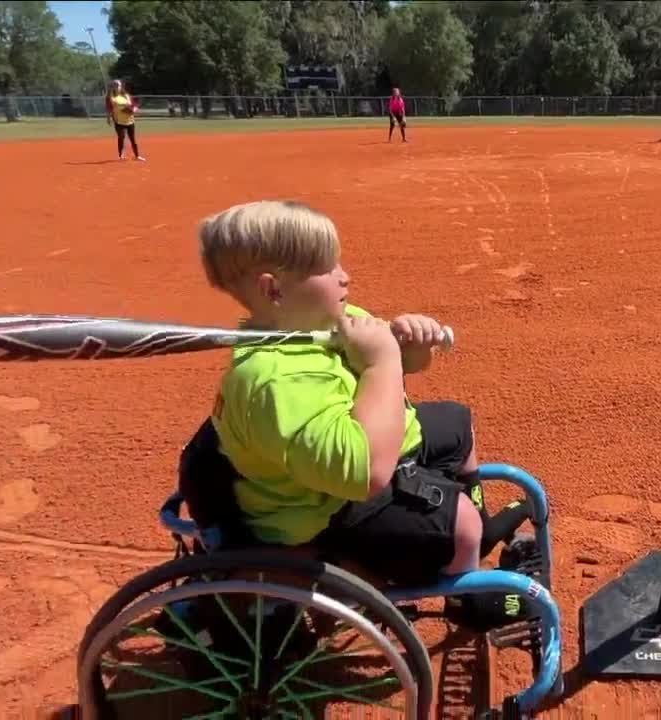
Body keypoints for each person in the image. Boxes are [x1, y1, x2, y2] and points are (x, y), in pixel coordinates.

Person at [197, 199, 532, 630]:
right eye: (327, 267)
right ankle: (461, 590)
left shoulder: (328, 318)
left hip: (366, 450)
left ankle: (464, 533)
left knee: (457, 423)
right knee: (463, 526)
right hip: (326, 506)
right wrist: (381, 363)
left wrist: (408, 348)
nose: (345, 275)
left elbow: (402, 367)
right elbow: (366, 473)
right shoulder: (274, 382)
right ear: (274, 289)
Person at [105, 79, 144, 162]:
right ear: (112, 87)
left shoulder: (126, 95)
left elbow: (133, 105)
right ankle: (121, 156)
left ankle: (137, 156)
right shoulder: (110, 96)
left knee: (132, 139)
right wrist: (108, 118)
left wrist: (134, 109)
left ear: (120, 86)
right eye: (114, 85)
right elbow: (109, 107)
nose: (116, 87)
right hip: (119, 121)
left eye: (118, 85)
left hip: (130, 120)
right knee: (121, 137)